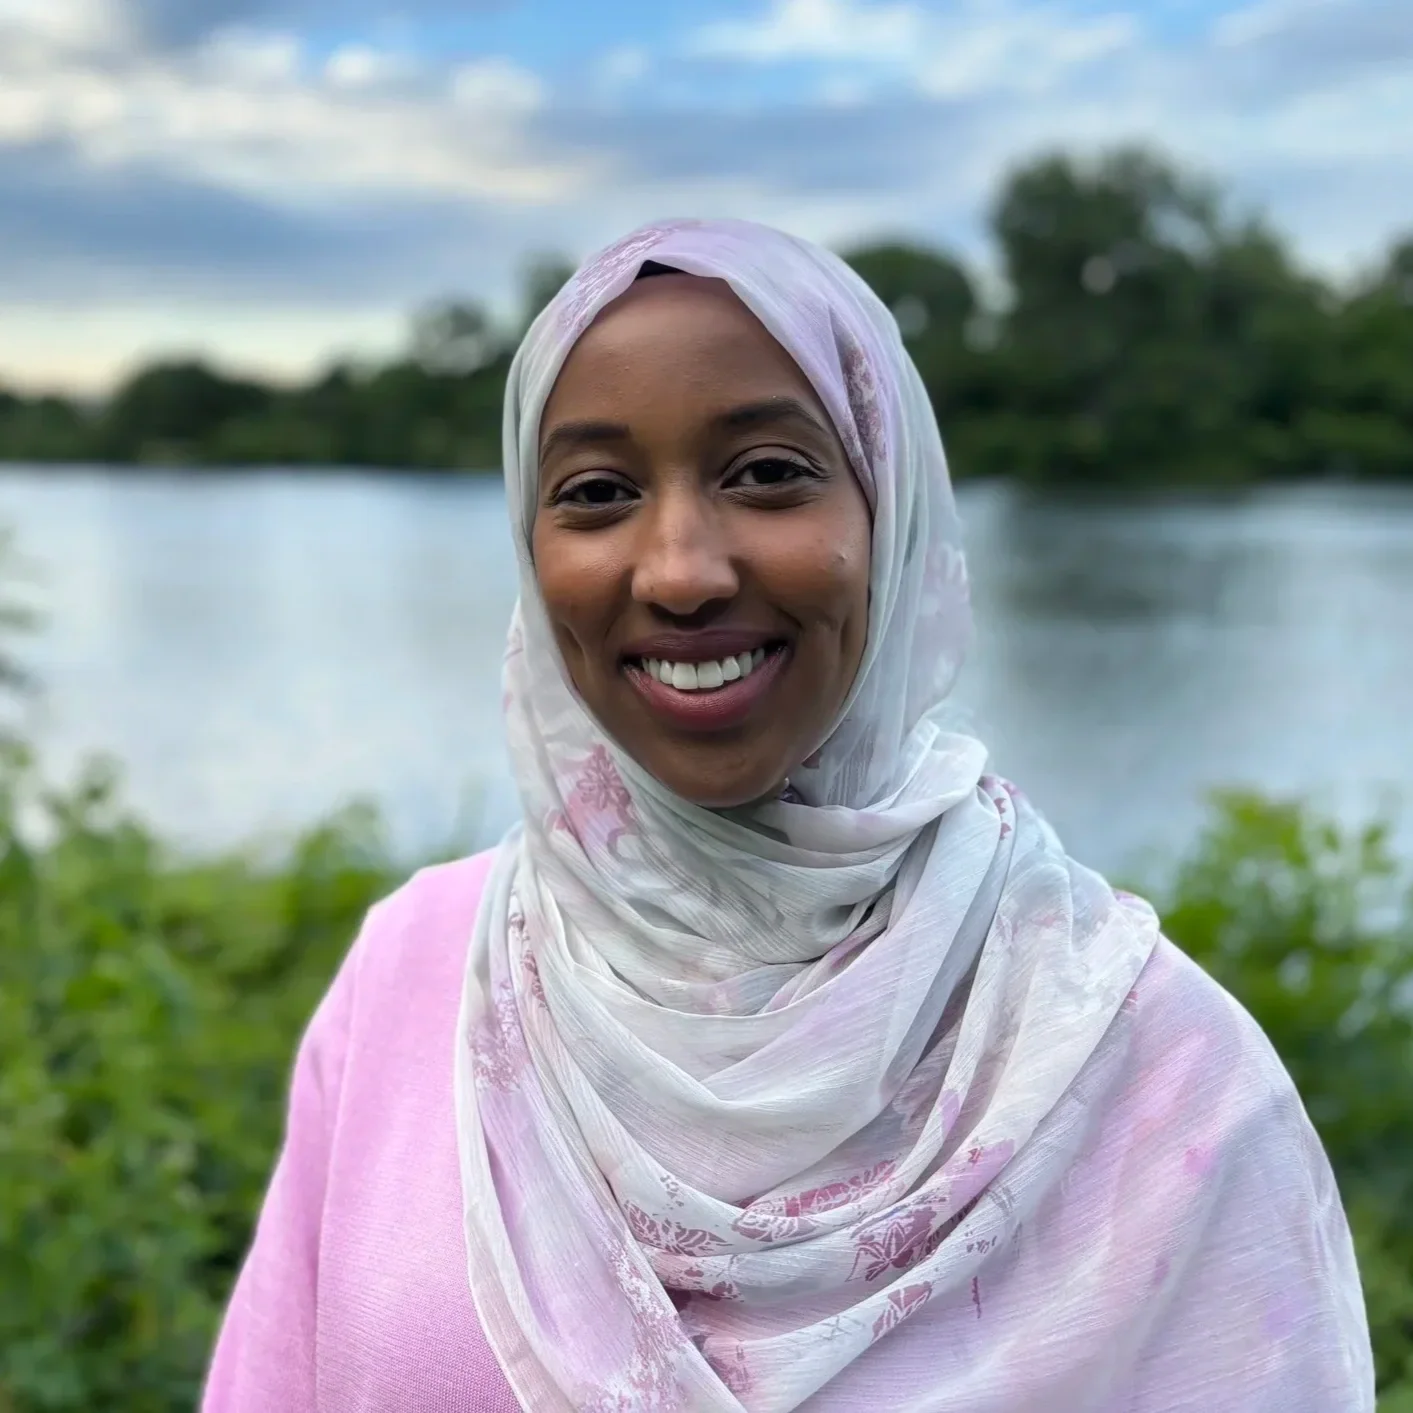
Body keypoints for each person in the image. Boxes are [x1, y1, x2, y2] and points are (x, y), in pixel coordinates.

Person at [203, 218, 1374, 1412]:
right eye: (597, 492)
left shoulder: (1150, 1063)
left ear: (889, 512)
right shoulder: (416, 976)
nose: (681, 571)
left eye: (766, 473)